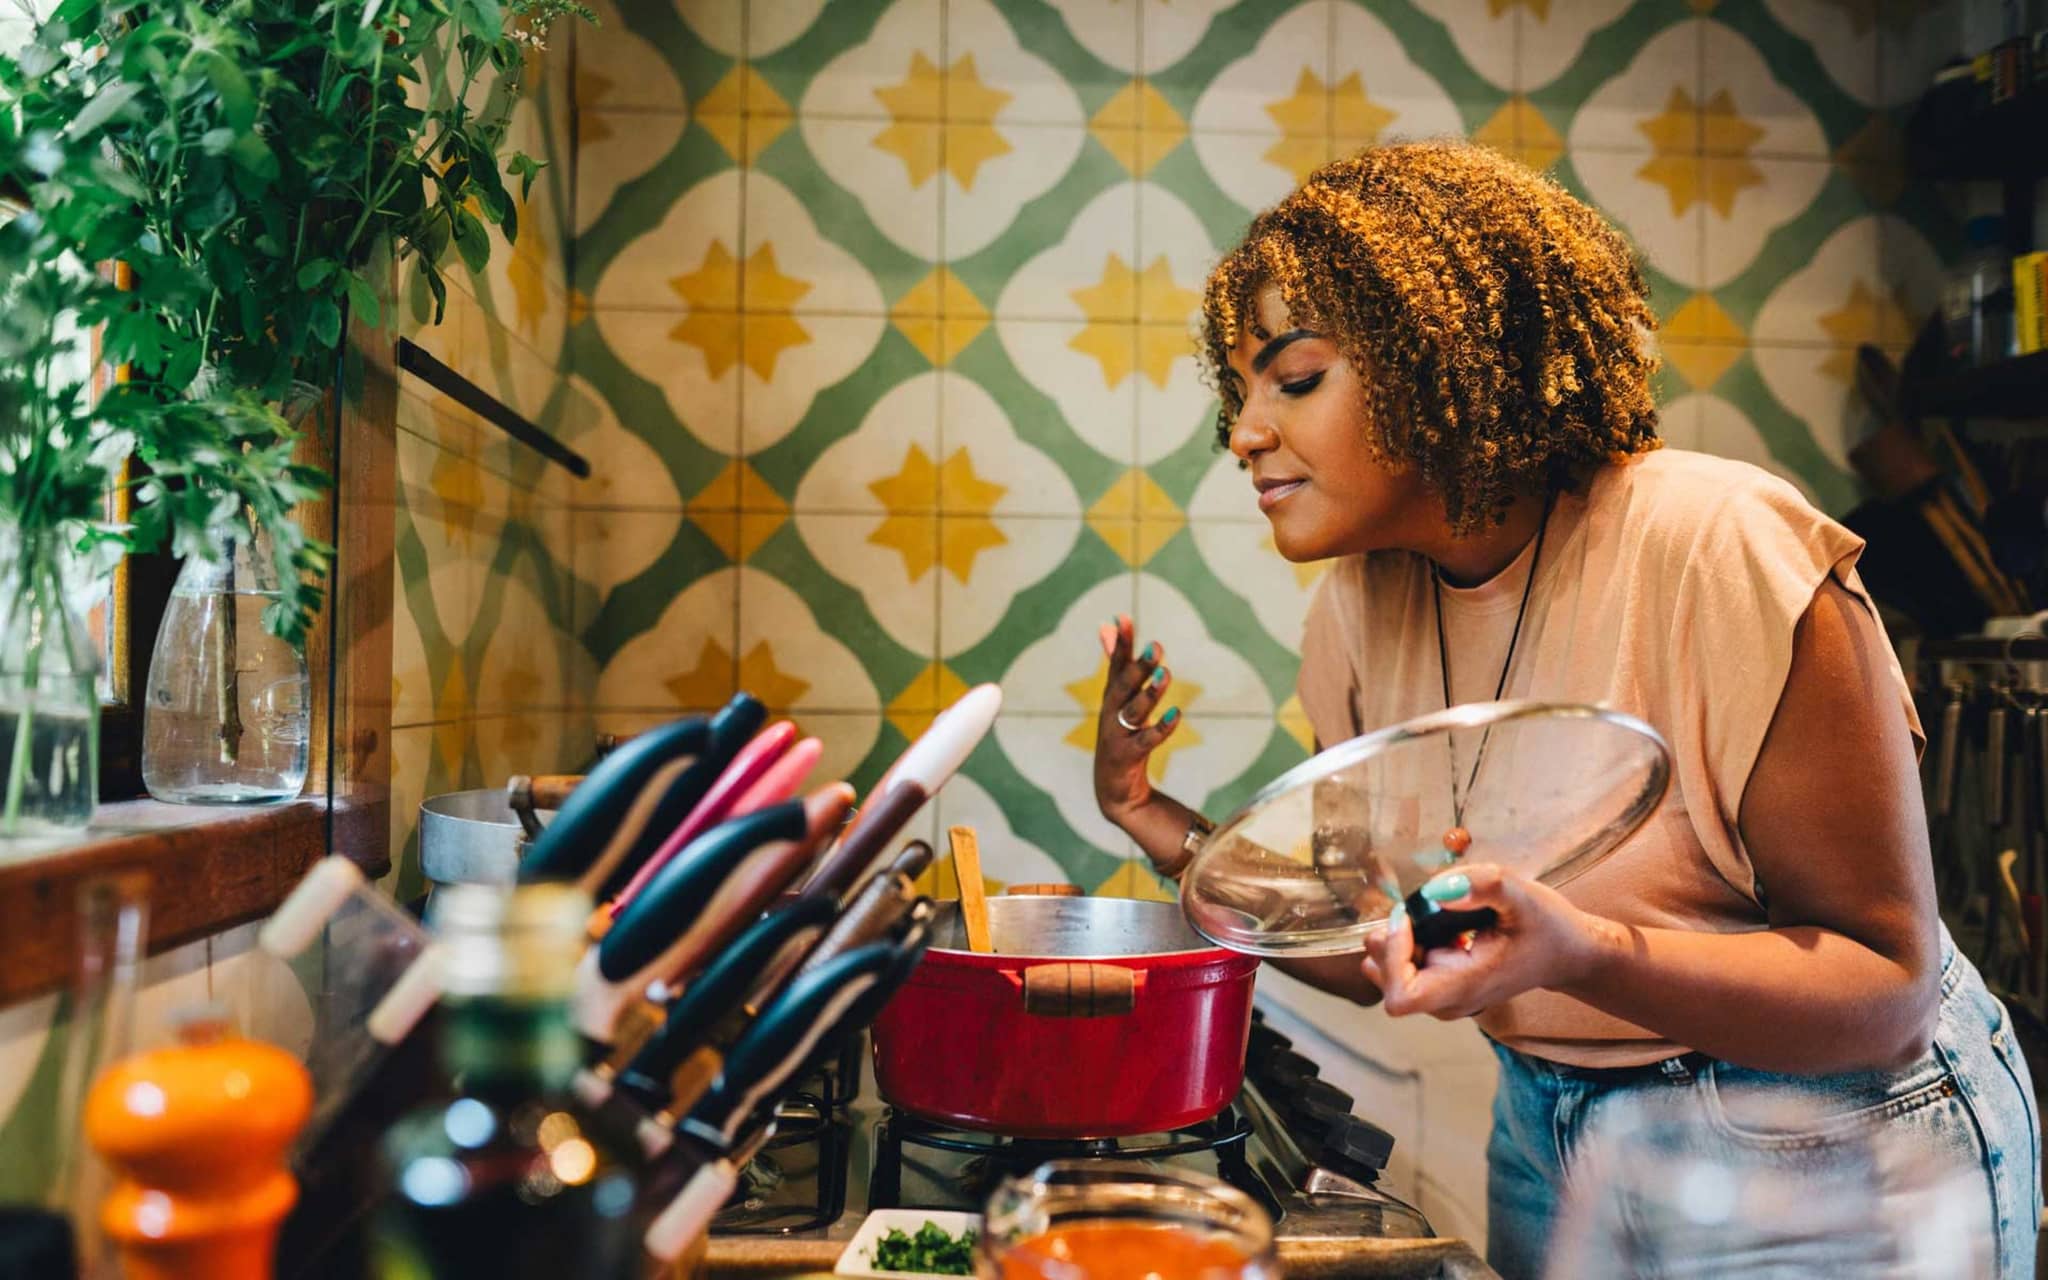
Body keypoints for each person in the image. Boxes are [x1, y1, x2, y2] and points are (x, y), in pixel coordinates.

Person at [1091, 140, 2040, 1277]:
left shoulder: (1715, 543)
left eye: (1292, 380)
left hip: (1828, 1132)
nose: (1244, 431)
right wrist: (1149, 815)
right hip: (1550, 1122)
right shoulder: (1353, 609)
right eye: (1238, 391)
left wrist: (1575, 949)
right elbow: (1387, 936)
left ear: (1441, 360)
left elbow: (1878, 987)